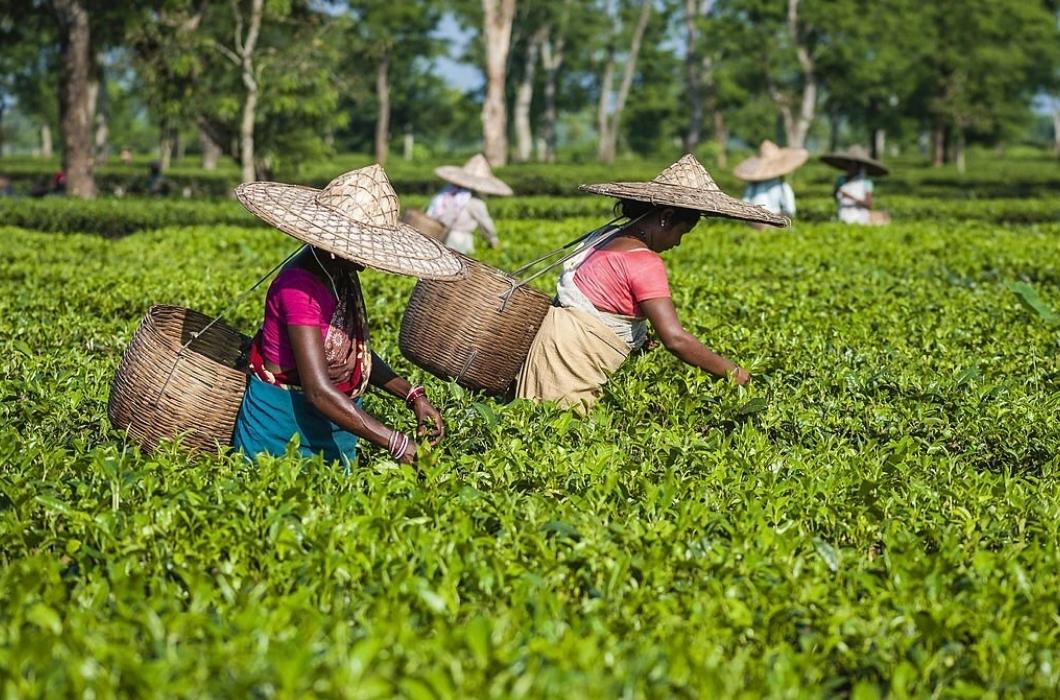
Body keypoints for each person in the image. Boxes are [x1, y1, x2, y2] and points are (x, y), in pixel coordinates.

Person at [232, 163, 466, 467]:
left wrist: (413, 395)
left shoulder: (337, 273)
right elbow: (318, 391)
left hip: (333, 428)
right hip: (281, 436)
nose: (366, 262)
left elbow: (356, 352)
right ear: (332, 247)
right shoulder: (299, 288)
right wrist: (395, 443)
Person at [516, 154, 789, 412]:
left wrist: (635, 335)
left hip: (550, 353)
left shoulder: (606, 237)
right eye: (681, 232)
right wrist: (735, 373)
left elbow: (602, 305)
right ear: (666, 218)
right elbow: (675, 339)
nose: (678, 242)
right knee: (562, 430)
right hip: (571, 367)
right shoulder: (645, 262)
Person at [426, 153, 513, 255]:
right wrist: (493, 239)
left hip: (443, 235)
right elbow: (485, 223)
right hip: (460, 239)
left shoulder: (450, 194)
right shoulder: (474, 202)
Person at [733, 139, 808, 223]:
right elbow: (790, 207)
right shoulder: (756, 184)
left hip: (770, 218)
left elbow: (789, 209)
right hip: (758, 219)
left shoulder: (780, 185)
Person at [821, 145, 891, 225]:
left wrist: (849, 196)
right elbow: (835, 196)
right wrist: (837, 192)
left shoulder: (866, 183)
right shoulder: (841, 180)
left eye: (853, 165)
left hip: (860, 217)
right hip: (843, 215)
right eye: (849, 164)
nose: (850, 167)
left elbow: (868, 204)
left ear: (859, 167)